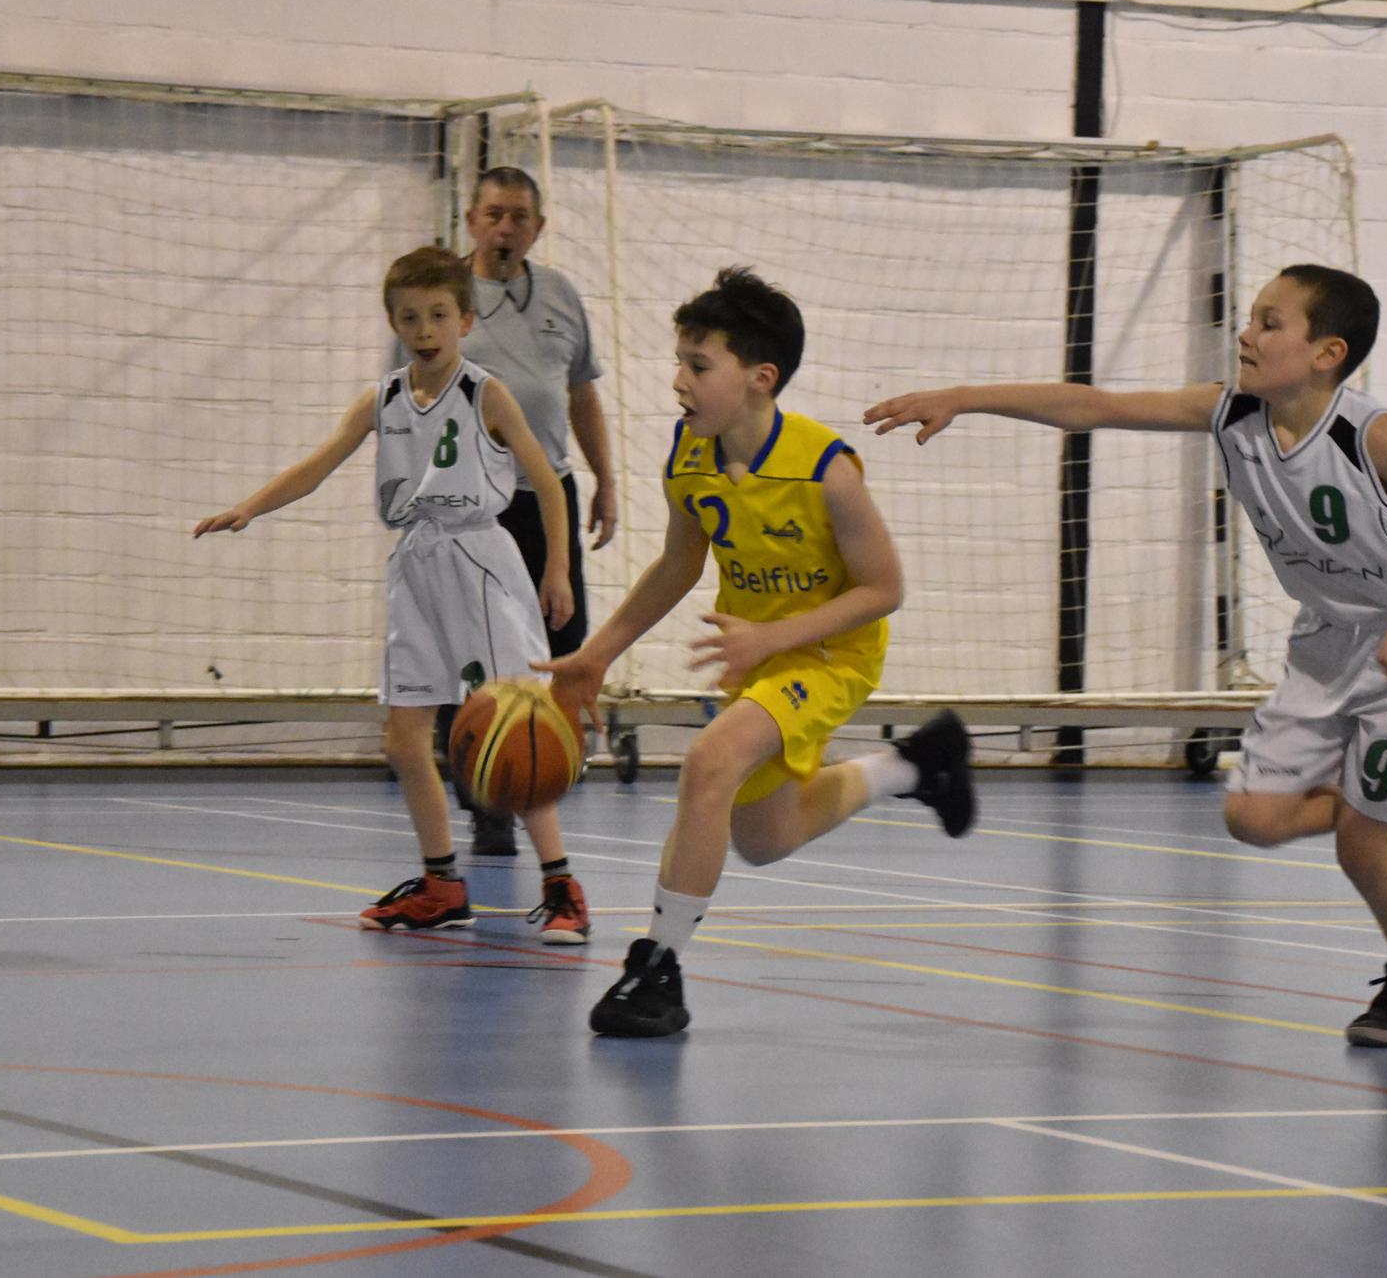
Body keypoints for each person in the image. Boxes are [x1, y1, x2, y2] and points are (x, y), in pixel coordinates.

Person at [863, 264, 1387, 1049]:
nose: (1246, 334)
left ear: (1327, 352)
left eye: (1270, 323)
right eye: (1250, 318)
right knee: (1253, 818)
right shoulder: (1230, 412)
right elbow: (1094, 406)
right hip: (1327, 640)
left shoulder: (1371, 436)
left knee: (1363, 847)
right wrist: (965, 396)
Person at [541, 268, 975, 1037]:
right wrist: (598, 653)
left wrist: (772, 637)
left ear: (759, 377)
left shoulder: (825, 469)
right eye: (680, 361)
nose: (678, 380)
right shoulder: (690, 451)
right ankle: (912, 764)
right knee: (764, 838)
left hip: (830, 653)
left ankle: (657, 967)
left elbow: (884, 588)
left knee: (710, 761)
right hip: (759, 654)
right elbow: (679, 564)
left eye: (698, 364)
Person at [197, 245, 591, 944]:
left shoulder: (486, 394)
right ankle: (442, 884)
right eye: (410, 317)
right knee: (405, 739)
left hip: (479, 561)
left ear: (465, 320)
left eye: (438, 314)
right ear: (393, 323)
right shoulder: (381, 399)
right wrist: (251, 506)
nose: (425, 329)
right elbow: (317, 465)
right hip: (415, 564)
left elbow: (549, 482)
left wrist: (556, 569)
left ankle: (562, 886)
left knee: (517, 729)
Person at [410, 167, 617, 856]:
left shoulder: (560, 296)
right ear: (472, 221)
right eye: (494, 214)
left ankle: (539, 776)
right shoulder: (441, 299)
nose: (505, 228)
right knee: (474, 656)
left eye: (519, 217)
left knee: (560, 642)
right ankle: (486, 803)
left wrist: (606, 479)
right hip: (472, 506)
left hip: (548, 495)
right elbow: (408, 398)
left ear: (538, 227)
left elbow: (581, 394)